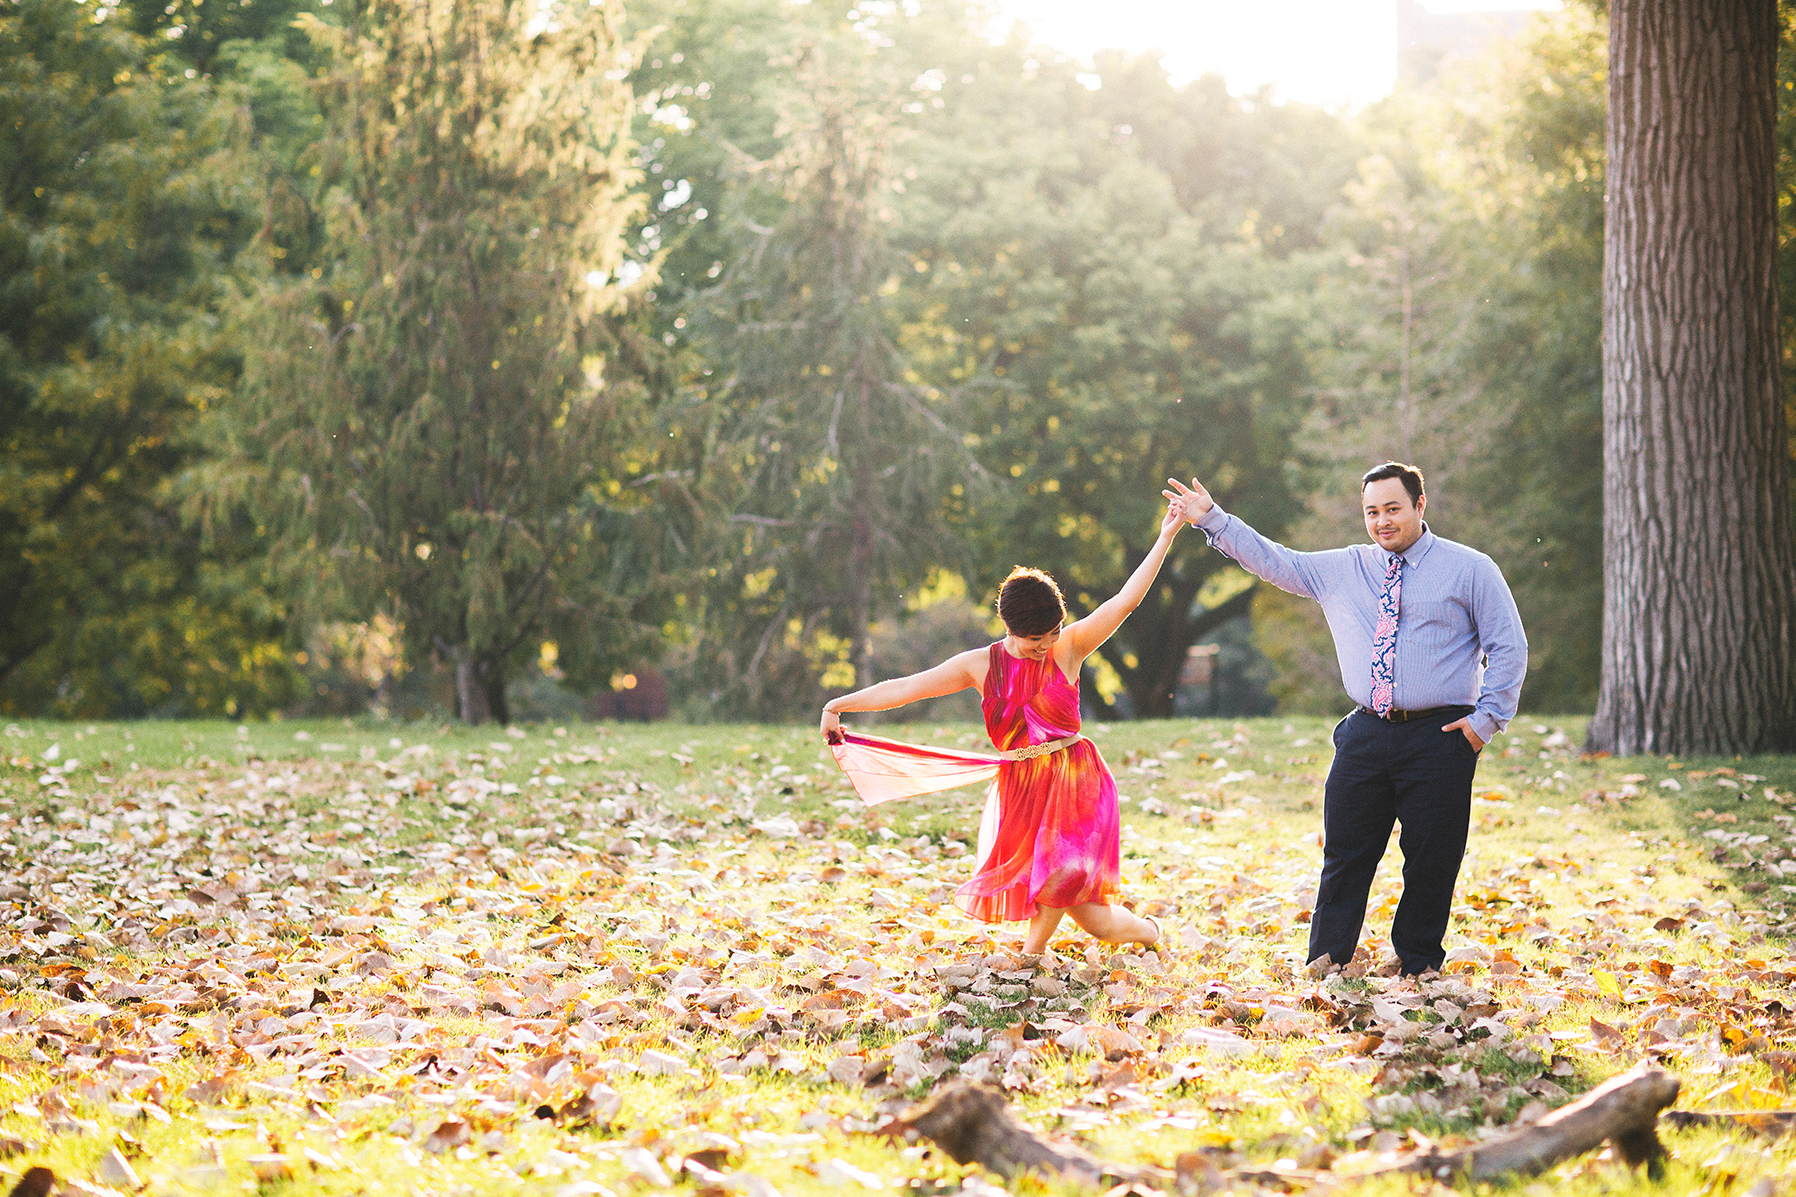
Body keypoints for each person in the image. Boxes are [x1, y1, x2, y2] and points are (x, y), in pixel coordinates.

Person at [1165, 463, 1526, 977]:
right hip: (1365, 731)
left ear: (1421, 506)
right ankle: (1326, 962)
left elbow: (1507, 647)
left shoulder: (1470, 569)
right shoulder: (1346, 567)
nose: (1382, 521)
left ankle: (1419, 965)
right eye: (1372, 512)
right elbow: (1276, 562)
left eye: (1393, 509)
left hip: (1441, 735)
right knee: (1345, 855)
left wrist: (1485, 722)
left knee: (1431, 859)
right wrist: (1214, 520)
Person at [820, 499, 1191, 956]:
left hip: (1075, 779)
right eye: (1036, 640)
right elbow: (907, 687)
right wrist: (838, 705)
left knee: (1056, 874)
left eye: (1052, 633)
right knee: (1096, 922)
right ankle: (1149, 932)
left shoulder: (1069, 647)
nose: (1046, 646)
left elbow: (1126, 600)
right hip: (1021, 784)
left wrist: (1166, 536)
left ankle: (1029, 959)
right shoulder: (980, 666)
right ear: (1010, 629)